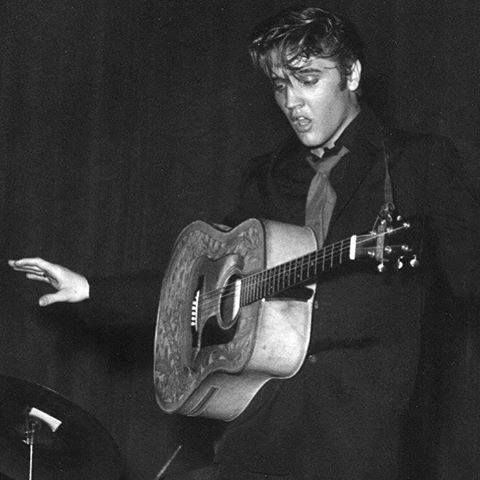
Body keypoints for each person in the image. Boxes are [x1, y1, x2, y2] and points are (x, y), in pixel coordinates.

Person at [9, 6, 479, 480]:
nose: (292, 101)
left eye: (308, 79)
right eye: (280, 85)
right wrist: (94, 289)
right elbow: (197, 283)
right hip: (261, 428)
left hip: (365, 441)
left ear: (352, 74)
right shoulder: (269, 176)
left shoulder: (420, 164)